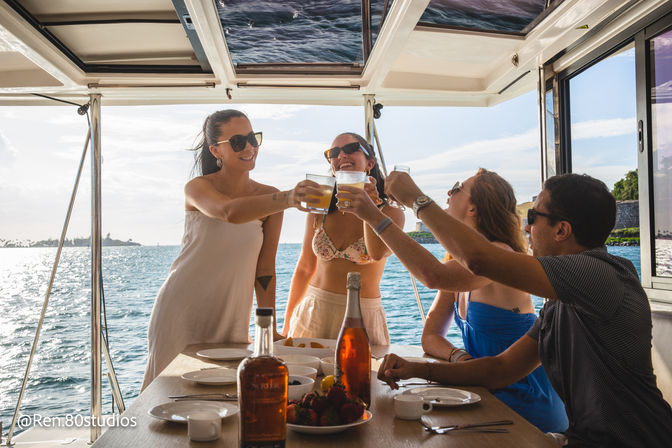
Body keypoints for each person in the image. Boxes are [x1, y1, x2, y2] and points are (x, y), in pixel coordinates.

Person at [340, 171, 672, 446]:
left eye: (534, 217)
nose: (527, 228)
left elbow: (475, 260)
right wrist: (417, 369)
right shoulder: (560, 302)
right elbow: (500, 369)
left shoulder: (600, 273)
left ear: (562, 230)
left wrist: (415, 200)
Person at [142, 109, 321, 389]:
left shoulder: (269, 198)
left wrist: (267, 326)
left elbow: (265, 269)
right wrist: (287, 197)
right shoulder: (198, 188)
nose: (250, 147)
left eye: (253, 138)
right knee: (166, 395)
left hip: (232, 315)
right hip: (181, 312)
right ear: (216, 150)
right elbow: (227, 212)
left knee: (226, 398)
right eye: (238, 141)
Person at [380, 168, 565, 432]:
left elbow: (433, 276)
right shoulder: (460, 266)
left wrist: (384, 213)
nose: (448, 192)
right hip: (483, 389)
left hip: (525, 401)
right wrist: (459, 357)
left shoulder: (498, 255)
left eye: (457, 187)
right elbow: (430, 336)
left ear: (474, 209)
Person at [283, 132, 404, 345]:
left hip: (362, 317)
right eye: (334, 152)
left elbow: (377, 253)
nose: (342, 155)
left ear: (370, 162)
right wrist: (286, 326)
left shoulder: (391, 213)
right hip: (313, 312)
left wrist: (371, 207)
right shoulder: (320, 203)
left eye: (351, 149)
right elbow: (304, 268)